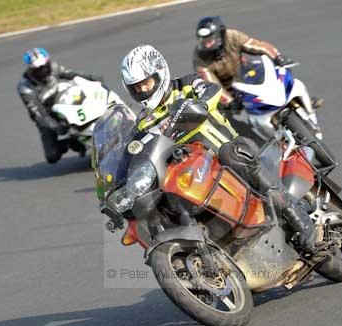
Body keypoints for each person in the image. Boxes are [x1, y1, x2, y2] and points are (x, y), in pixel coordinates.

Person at [120, 44, 316, 252]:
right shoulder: (143, 122)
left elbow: (211, 90)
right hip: (192, 168)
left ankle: (296, 217)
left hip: (223, 149)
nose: (142, 90)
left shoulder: (185, 85)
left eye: (146, 83)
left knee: (232, 155)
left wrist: (201, 103)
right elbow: (139, 151)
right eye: (136, 88)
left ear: (159, 73)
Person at [193, 16, 323, 112]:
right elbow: (212, 84)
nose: (207, 44)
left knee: (277, 72)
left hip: (245, 72)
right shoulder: (200, 58)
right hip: (229, 90)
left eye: (210, 40)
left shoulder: (232, 36)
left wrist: (277, 57)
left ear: (220, 34)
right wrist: (230, 101)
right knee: (231, 119)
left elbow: (257, 46)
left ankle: (302, 101)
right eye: (204, 41)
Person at [17, 47, 103, 163]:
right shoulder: (25, 87)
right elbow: (37, 112)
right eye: (39, 69)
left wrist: (92, 78)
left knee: (84, 96)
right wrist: (55, 126)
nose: (44, 70)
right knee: (52, 156)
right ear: (31, 70)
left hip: (61, 100)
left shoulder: (53, 67)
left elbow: (70, 74)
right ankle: (71, 142)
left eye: (45, 66)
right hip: (46, 113)